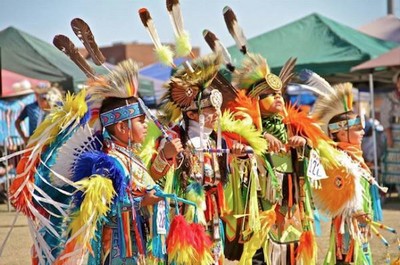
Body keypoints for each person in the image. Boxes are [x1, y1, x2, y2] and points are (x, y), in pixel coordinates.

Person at [9, 58, 161, 264]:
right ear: (122, 128)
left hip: (137, 244)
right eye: (140, 121)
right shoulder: (107, 164)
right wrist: (141, 202)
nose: (145, 125)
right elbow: (99, 212)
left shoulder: (131, 158)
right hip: (118, 249)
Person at [148, 54, 256, 264]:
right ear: (192, 114)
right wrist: (166, 155)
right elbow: (153, 176)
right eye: (210, 109)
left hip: (213, 215)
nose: (217, 113)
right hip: (185, 214)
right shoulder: (173, 138)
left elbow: (222, 175)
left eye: (217, 108)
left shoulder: (218, 140)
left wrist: (237, 157)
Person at [310, 82, 378, 265]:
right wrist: (355, 211)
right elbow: (336, 194)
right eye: (357, 128)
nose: (363, 132)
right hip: (346, 226)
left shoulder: (357, 158)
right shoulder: (337, 159)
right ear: (341, 133)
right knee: (347, 259)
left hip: (360, 225)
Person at [381, 71, 400, 148]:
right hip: (395, 131)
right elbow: (384, 117)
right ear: (397, 83)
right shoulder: (390, 97)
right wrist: (389, 136)